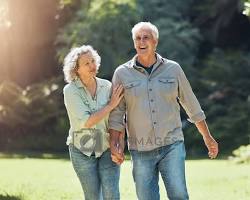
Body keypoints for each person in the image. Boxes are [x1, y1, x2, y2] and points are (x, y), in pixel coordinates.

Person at [109, 22, 219, 200]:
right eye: (138, 38)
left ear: (155, 42)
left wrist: (207, 136)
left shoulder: (173, 69)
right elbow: (116, 113)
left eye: (146, 37)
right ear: (134, 42)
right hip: (140, 149)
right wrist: (115, 144)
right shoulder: (122, 73)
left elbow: (191, 104)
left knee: (179, 195)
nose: (141, 41)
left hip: (172, 145)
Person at [63, 45, 123, 200]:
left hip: (106, 146)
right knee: (93, 197)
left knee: (112, 195)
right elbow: (86, 122)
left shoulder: (107, 86)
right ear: (76, 69)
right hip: (83, 149)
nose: (92, 65)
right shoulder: (70, 91)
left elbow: (117, 118)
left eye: (93, 61)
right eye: (87, 63)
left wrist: (119, 145)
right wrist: (110, 105)